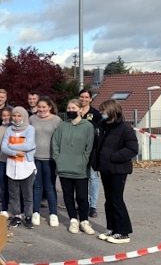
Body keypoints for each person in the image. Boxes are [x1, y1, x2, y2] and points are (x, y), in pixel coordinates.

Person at [94, 99, 138, 244]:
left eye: (103, 110)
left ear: (112, 111)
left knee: (116, 200)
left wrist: (114, 157)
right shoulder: (103, 126)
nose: (101, 113)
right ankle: (112, 228)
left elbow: (132, 149)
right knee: (109, 201)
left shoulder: (125, 129)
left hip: (118, 170)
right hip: (105, 169)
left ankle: (123, 232)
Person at [52, 99, 95, 235]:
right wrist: (58, 160)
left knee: (82, 197)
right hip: (64, 168)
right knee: (68, 195)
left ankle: (84, 221)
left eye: (74, 108)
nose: (71, 110)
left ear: (81, 110)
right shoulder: (62, 126)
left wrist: (83, 161)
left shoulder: (88, 126)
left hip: (80, 168)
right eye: (69, 108)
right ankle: (73, 220)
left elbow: (89, 147)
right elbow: (55, 144)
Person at [1, 106, 36, 229]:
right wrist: (16, 152)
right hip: (12, 166)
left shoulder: (30, 129)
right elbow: (3, 148)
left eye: (19, 116)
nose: (16, 118)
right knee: (14, 194)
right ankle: (17, 216)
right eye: (14, 116)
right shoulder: (9, 129)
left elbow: (30, 145)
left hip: (26, 166)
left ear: (24, 116)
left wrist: (11, 145)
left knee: (27, 194)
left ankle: (28, 216)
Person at [29, 96, 62, 227]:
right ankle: (35, 212)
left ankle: (53, 213)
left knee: (49, 186)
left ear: (49, 107)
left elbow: (60, 139)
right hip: (35, 158)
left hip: (50, 159)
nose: (41, 109)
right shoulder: (32, 119)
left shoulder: (56, 120)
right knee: (36, 186)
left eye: (44, 107)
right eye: (39, 107)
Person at [80, 88, 102, 218]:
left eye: (86, 97)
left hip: (92, 151)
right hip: (77, 152)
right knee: (80, 178)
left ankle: (92, 206)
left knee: (93, 178)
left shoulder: (96, 114)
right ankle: (83, 203)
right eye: (81, 97)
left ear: (90, 99)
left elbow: (99, 131)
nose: (84, 99)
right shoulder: (74, 111)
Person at [0, 107, 12, 218]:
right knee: (3, 186)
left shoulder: (16, 129)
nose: (6, 117)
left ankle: (17, 209)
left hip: (14, 161)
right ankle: (4, 208)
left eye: (8, 115)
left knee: (14, 187)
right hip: (2, 161)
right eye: (4, 115)